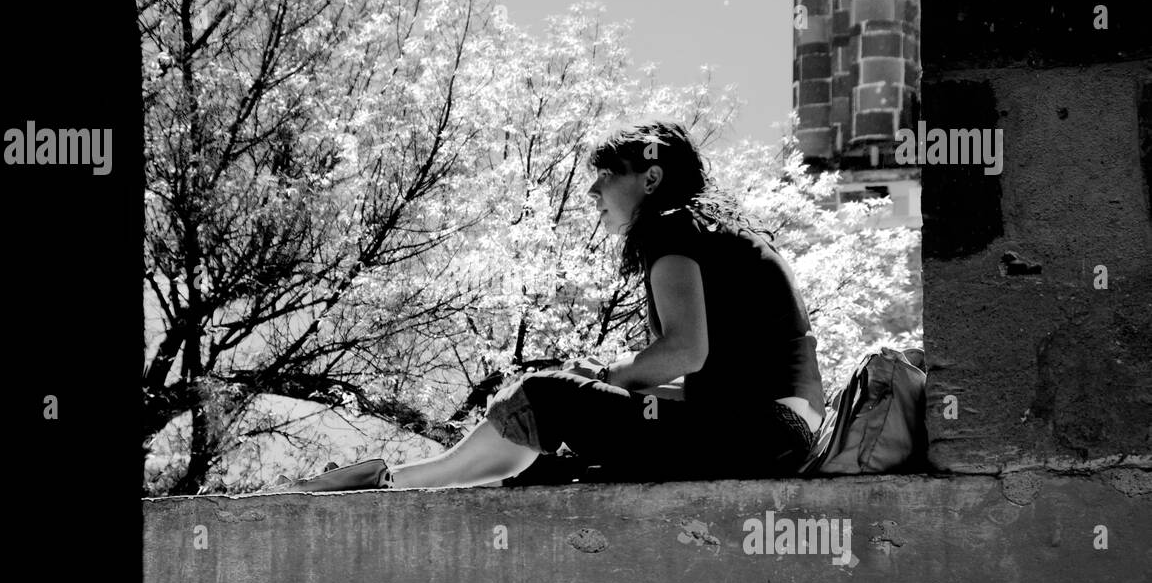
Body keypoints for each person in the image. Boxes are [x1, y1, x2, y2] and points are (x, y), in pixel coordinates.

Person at [291, 119, 825, 491]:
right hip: (776, 436)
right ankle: (404, 480)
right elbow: (710, 372)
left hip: (757, 435)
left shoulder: (671, 231)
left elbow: (686, 352)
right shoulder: (718, 233)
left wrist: (605, 377)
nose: (593, 191)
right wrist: (602, 386)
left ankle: (396, 482)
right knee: (562, 417)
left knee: (547, 392)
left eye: (607, 174)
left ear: (651, 178)